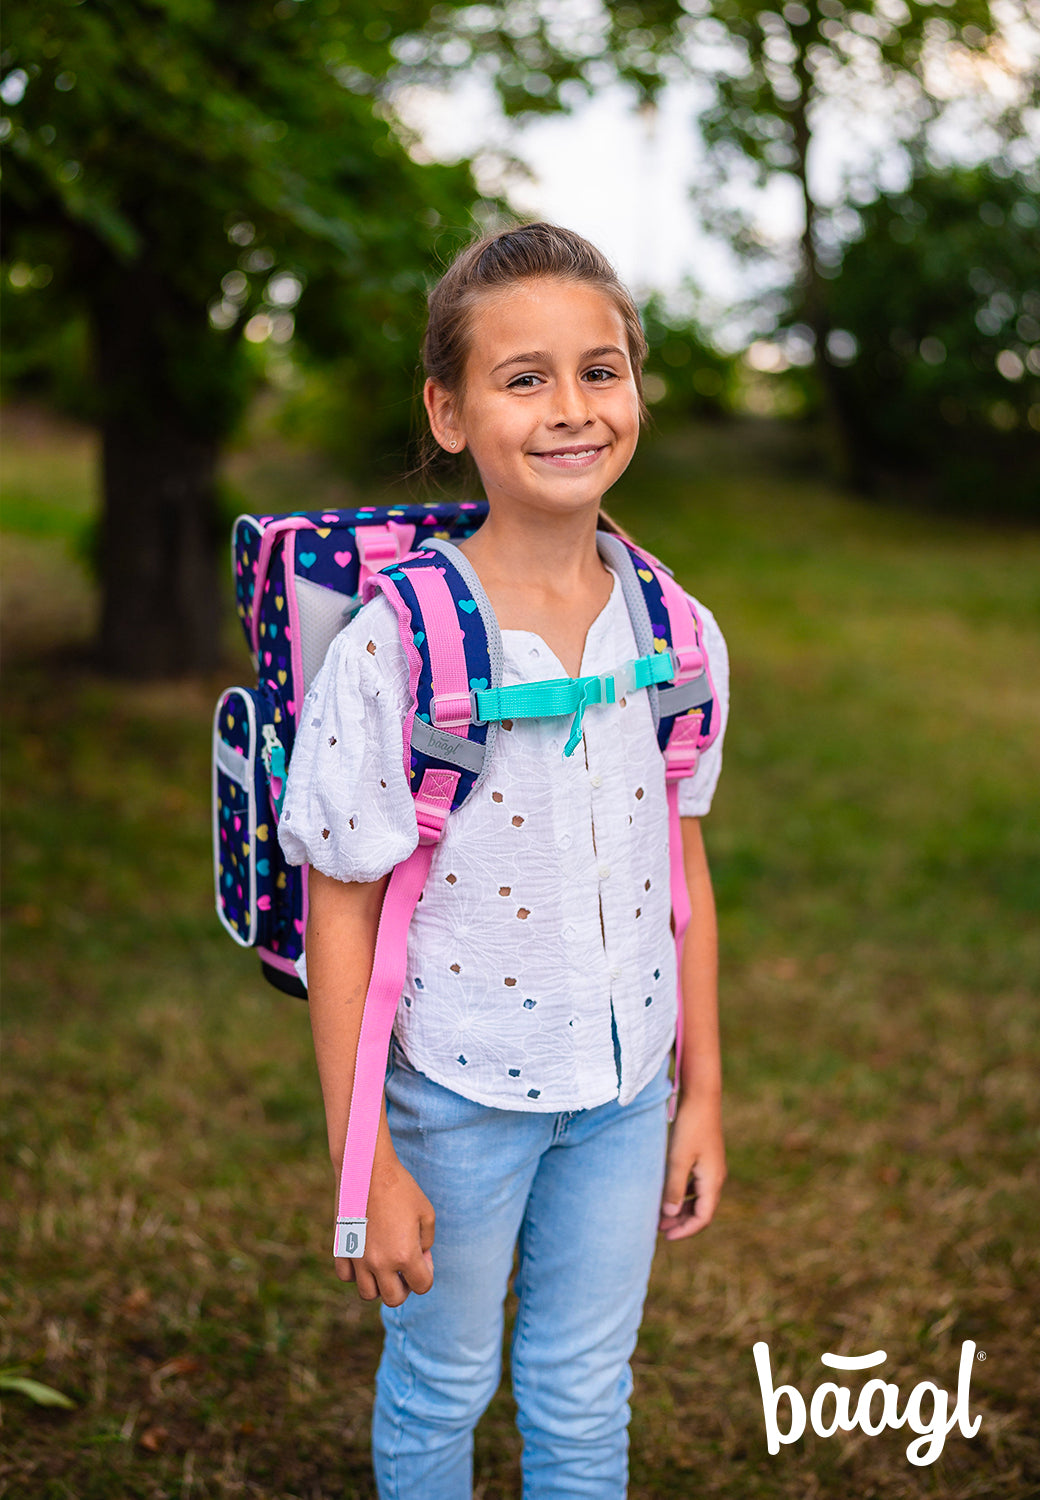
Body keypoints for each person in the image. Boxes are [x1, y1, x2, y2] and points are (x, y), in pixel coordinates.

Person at [278, 221, 729, 1499]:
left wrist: (697, 1092)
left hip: (626, 1089)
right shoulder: (396, 648)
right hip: (457, 1094)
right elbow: (342, 912)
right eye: (523, 377)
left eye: (600, 369)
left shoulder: (676, 633)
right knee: (441, 1383)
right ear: (448, 408)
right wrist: (362, 1150)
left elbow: (682, 884)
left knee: (587, 1387)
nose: (572, 408)